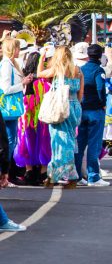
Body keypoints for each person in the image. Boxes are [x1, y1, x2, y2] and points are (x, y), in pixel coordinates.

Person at [37, 46, 84, 189]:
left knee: (58, 142)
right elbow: (81, 94)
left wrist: (42, 57)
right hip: (75, 107)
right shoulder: (78, 71)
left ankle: (59, 176)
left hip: (60, 108)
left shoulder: (57, 70)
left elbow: (39, 74)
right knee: (69, 140)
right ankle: (64, 175)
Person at [14, 51, 51, 186]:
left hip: (26, 116)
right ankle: (43, 171)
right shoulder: (44, 82)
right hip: (41, 117)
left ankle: (29, 171)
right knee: (43, 142)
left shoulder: (23, 78)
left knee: (26, 142)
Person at [0, 38, 33, 185]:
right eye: (18, 48)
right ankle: (4, 174)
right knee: (9, 142)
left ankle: (6, 174)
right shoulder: (7, 65)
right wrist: (23, 83)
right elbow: (5, 89)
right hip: (8, 108)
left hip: (10, 110)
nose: (19, 51)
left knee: (10, 141)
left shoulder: (11, 64)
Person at [75, 44, 109, 186]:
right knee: (94, 144)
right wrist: (103, 103)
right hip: (95, 111)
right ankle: (93, 177)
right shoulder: (98, 70)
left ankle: (76, 176)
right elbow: (101, 89)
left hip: (81, 110)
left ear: (88, 55)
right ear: (100, 56)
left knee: (80, 145)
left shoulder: (81, 69)